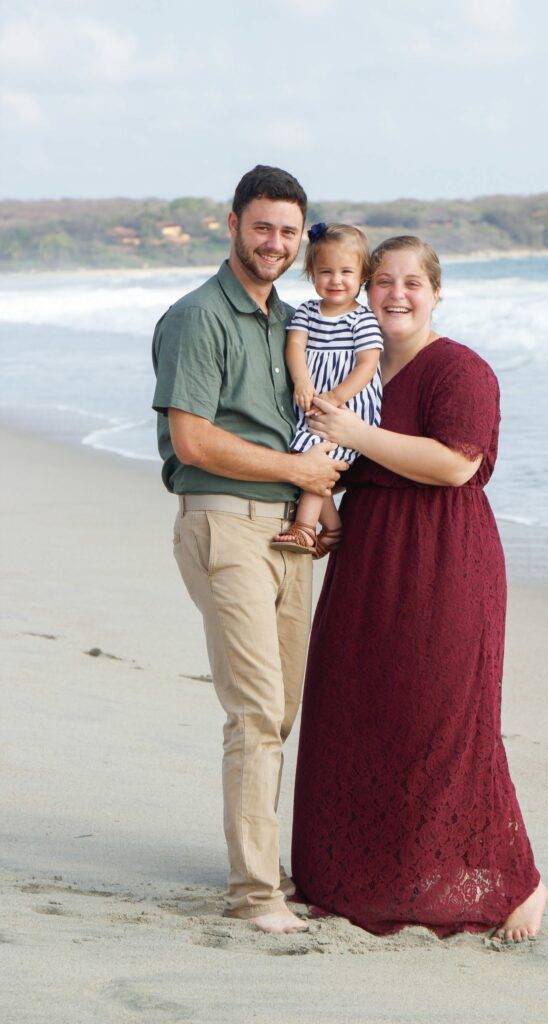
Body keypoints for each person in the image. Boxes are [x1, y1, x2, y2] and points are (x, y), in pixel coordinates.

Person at [291, 235, 548, 941]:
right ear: (362, 291)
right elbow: (325, 455)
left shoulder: (460, 369)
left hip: (442, 560)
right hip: (366, 558)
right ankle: (361, 879)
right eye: (382, 282)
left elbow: (454, 466)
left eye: (411, 283)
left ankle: (518, 883)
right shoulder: (354, 370)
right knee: (358, 713)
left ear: (435, 293)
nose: (395, 294)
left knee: (441, 720)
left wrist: (352, 433)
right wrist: (326, 506)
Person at [151, 165, 348, 935]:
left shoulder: (287, 321)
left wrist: (317, 496)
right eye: (261, 226)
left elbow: (307, 428)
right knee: (256, 710)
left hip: (286, 534)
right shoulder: (199, 318)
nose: (274, 242)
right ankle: (253, 893)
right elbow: (192, 439)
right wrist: (296, 471)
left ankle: (266, 867)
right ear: (231, 224)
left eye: (288, 231)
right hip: (222, 524)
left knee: (282, 710)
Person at [272, 222, 383, 556]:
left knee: (315, 458)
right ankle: (332, 527)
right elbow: (294, 347)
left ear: (363, 275)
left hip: (348, 405)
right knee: (305, 458)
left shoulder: (361, 319)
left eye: (346, 271)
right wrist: (302, 380)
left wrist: (337, 397)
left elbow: (368, 364)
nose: (336, 280)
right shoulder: (307, 311)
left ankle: (305, 528)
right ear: (312, 273)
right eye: (326, 271)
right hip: (312, 400)